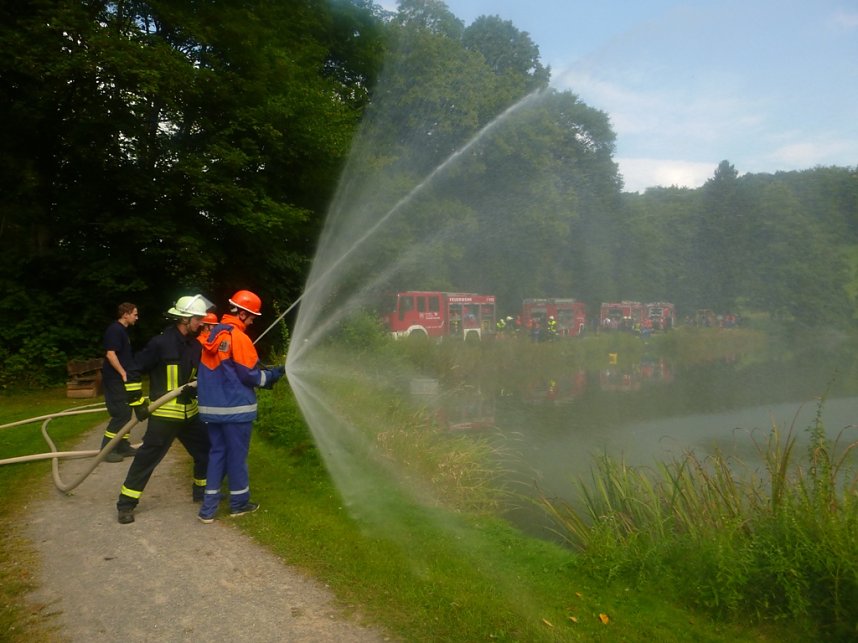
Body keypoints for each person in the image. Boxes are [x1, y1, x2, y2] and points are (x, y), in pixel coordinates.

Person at [116, 294, 213, 524]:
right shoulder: (160, 344)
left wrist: (195, 390)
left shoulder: (195, 345)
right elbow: (133, 370)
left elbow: (198, 376)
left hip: (190, 413)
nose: (202, 323)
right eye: (198, 319)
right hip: (164, 416)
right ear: (185, 319)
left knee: (206, 452)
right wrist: (138, 403)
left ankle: (201, 492)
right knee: (147, 459)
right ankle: (126, 504)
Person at [196, 290, 285, 523]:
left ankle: (208, 509)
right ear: (243, 313)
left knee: (216, 455)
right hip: (236, 409)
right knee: (237, 458)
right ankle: (239, 504)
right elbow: (250, 376)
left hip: (212, 410)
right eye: (253, 316)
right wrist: (273, 375)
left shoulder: (213, 334)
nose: (254, 320)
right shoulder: (239, 338)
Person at [100, 302, 139, 462]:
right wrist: (123, 373)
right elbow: (111, 354)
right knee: (120, 413)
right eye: (135, 314)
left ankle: (122, 445)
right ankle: (107, 450)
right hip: (114, 379)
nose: (137, 317)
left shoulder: (122, 331)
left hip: (121, 379)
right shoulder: (115, 330)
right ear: (125, 314)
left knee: (127, 412)